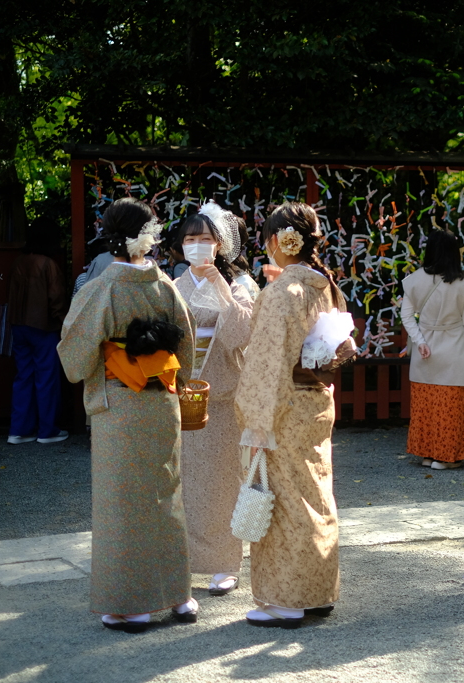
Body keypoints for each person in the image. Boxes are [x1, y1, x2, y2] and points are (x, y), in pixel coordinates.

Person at [57, 197, 198, 632]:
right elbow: (186, 351)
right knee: (166, 495)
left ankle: (131, 603)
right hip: (162, 401)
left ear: (112, 236)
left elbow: (74, 358)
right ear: (145, 237)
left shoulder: (104, 288)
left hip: (119, 404)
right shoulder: (166, 286)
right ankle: (178, 597)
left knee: (122, 504)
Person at [235, 202, 347, 628]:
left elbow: (266, 363)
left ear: (277, 242)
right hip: (317, 400)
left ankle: (287, 599)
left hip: (282, 407)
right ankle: (318, 592)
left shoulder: (284, 292)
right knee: (316, 495)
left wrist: (256, 420)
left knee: (287, 501)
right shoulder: (323, 285)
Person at [172, 201, 253, 598]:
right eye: (191, 239)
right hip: (179, 392)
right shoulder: (172, 285)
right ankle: (182, 560)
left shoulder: (238, 286)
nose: (198, 245)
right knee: (182, 480)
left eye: (205, 239)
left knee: (222, 480)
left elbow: (243, 335)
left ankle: (224, 562)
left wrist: (218, 285)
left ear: (220, 245)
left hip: (221, 395)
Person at [400, 230, 464, 469]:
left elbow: (406, 315)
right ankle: (446, 457)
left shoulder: (414, 280)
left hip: (426, 348)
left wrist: (420, 341)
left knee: (426, 405)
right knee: (450, 406)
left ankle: (427, 454)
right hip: (453, 346)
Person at [6, 217, 69, 445]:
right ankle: (47, 430)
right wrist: (65, 323)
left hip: (19, 325)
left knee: (23, 376)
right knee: (47, 378)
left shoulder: (19, 261)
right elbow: (57, 299)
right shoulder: (48, 264)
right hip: (43, 327)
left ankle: (19, 431)